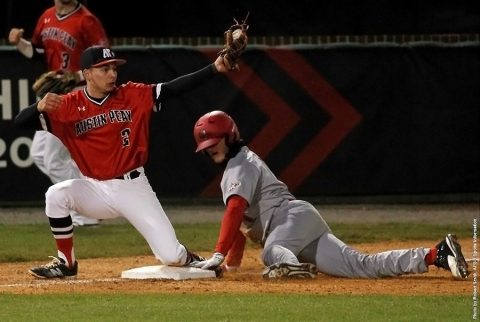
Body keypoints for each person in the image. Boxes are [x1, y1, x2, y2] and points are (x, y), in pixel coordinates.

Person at [14, 46, 231, 279]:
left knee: (171, 257)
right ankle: (67, 263)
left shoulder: (131, 94)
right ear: (87, 74)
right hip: (94, 188)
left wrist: (215, 68)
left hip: (132, 187)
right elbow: (20, 122)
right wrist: (37, 106)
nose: (112, 74)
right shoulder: (69, 105)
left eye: (114, 68)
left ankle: (189, 257)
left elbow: (171, 89)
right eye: (104, 69)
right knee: (56, 195)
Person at [190, 110, 470, 279]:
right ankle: (435, 254)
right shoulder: (239, 164)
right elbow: (242, 221)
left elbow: (236, 209)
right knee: (360, 265)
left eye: (214, 141)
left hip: (289, 220)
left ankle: (291, 268)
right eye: (206, 144)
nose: (210, 148)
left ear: (231, 135)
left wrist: (217, 253)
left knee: (272, 252)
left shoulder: (240, 165)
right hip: (299, 223)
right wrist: (231, 263)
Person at [9, 0, 109, 226]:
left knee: (54, 159)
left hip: (75, 93)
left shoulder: (87, 20)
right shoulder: (47, 16)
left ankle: (85, 211)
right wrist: (20, 43)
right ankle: (90, 202)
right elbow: (39, 51)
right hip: (54, 92)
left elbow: (104, 60)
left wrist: (78, 76)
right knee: (39, 154)